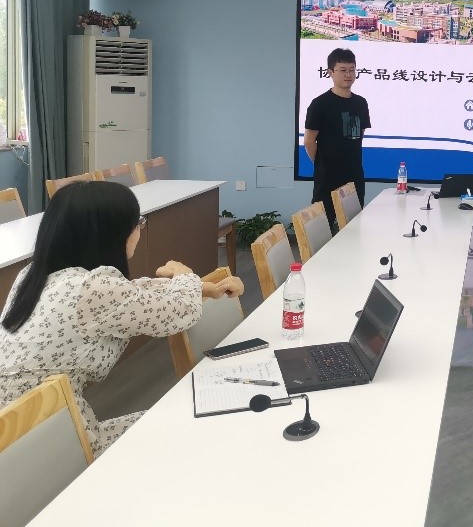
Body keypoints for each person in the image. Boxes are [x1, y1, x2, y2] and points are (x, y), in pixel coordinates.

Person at [0, 181, 244, 456]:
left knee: (181, 420)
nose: (140, 229)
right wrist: (184, 273)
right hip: (53, 450)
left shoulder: (32, 276)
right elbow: (182, 311)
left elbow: (131, 295)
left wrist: (202, 287)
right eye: (137, 223)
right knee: (189, 424)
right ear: (111, 234)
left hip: (21, 439)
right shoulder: (94, 290)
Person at [304, 47, 372, 227]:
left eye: (351, 70)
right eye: (342, 70)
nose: (348, 75)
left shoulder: (360, 103)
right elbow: (309, 141)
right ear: (330, 72)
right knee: (322, 228)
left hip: (354, 177)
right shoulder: (319, 104)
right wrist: (323, 162)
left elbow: (359, 137)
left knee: (353, 228)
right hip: (327, 178)